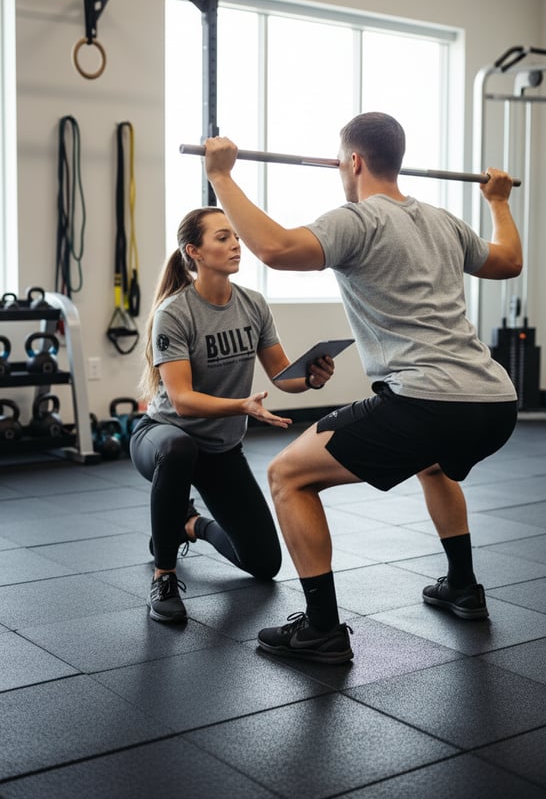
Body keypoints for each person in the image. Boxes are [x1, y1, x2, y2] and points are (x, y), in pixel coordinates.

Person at [202, 111, 523, 664]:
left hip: (428, 401)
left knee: (287, 476)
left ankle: (322, 629)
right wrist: (498, 202)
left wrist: (222, 177)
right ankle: (463, 588)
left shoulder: (358, 219)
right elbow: (509, 261)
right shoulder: (444, 221)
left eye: (340, 161)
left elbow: (276, 249)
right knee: (434, 463)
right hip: (495, 401)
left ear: (353, 161)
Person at [129, 206, 334, 623]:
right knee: (179, 446)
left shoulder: (252, 305)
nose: (236, 244)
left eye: (236, 236)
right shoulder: (176, 312)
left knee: (263, 563)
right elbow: (183, 400)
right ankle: (164, 575)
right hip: (162, 437)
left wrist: (311, 379)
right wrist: (241, 406)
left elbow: (282, 375)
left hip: (220, 449)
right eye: (222, 238)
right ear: (195, 251)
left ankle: (188, 524)